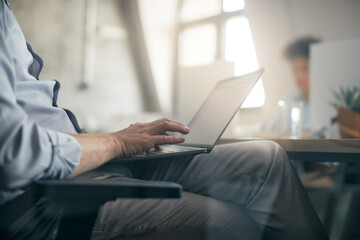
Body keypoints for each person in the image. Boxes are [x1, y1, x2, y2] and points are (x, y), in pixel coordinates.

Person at [0, 1, 328, 239]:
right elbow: (14, 153)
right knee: (235, 223)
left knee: (266, 158)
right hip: (41, 196)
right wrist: (114, 143)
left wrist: (112, 141)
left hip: (82, 167)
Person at [283, 36, 321, 130]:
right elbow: (270, 127)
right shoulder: (289, 100)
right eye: (294, 70)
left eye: (305, 68)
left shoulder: (328, 104)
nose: (298, 76)